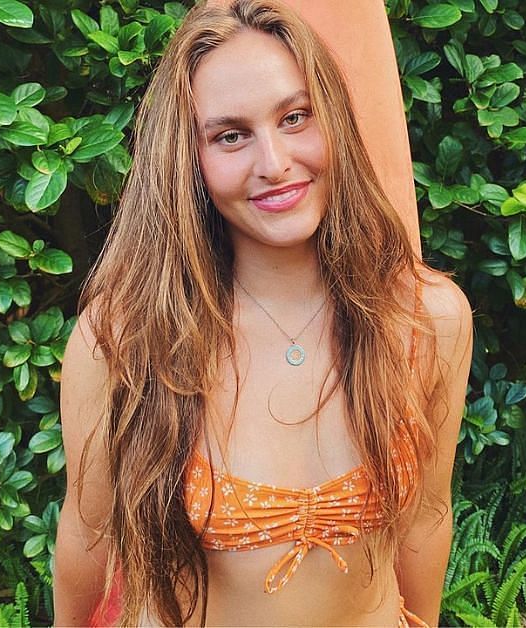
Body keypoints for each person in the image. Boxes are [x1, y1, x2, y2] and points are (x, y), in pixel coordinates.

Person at [53, 1, 473, 626]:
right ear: (187, 160)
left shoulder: (425, 318)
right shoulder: (122, 339)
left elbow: (428, 517)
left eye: (295, 117)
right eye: (231, 135)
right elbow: (87, 537)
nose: (274, 163)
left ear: (334, 121)